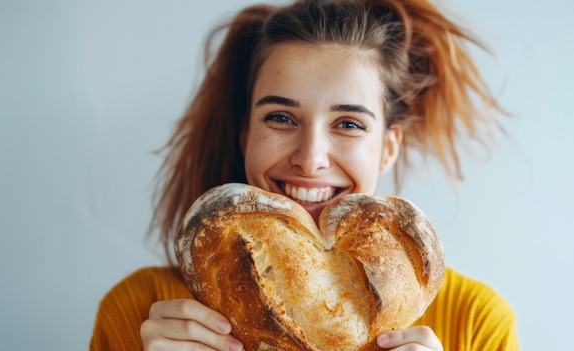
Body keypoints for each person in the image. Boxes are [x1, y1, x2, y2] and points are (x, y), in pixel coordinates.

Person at [90, 0, 519, 350]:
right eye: (280, 117)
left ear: (388, 146)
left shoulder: (475, 323)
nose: (310, 159)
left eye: (349, 123)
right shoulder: (141, 312)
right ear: (245, 135)